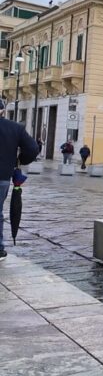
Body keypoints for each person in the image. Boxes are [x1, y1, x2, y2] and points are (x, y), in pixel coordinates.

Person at [0, 98, 40, 261]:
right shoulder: (15, 128)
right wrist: (20, 161)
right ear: (2, 110)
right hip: (2, 175)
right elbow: (32, 148)